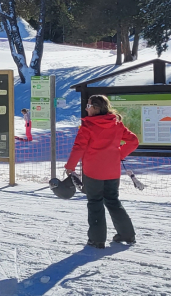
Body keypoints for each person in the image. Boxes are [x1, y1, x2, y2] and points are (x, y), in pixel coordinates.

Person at [64, 94, 140, 248]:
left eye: (88, 106)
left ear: (96, 108)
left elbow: (79, 147)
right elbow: (133, 141)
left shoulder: (88, 126)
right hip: (112, 171)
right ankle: (127, 234)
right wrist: (119, 154)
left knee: (95, 203)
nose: (87, 109)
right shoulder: (116, 124)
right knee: (113, 201)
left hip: (93, 172)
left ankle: (97, 239)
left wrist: (70, 166)